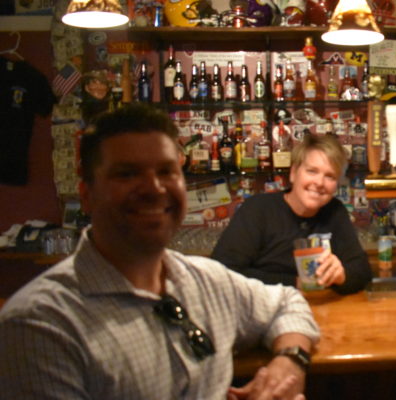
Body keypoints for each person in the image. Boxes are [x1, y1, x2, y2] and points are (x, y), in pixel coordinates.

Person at [0, 104, 320, 399]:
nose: (154, 188)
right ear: (87, 194)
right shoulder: (39, 326)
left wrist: (289, 363)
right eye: (127, 173)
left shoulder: (207, 282)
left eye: (167, 171)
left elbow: (287, 304)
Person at [212, 134, 372, 294]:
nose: (319, 183)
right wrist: (294, 283)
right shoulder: (258, 209)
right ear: (294, 173)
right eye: (312, 171)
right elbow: (221, 272)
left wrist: (342, 275)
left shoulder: (335, 211)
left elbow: (362, 271)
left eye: (329, 176)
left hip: (318, 311)